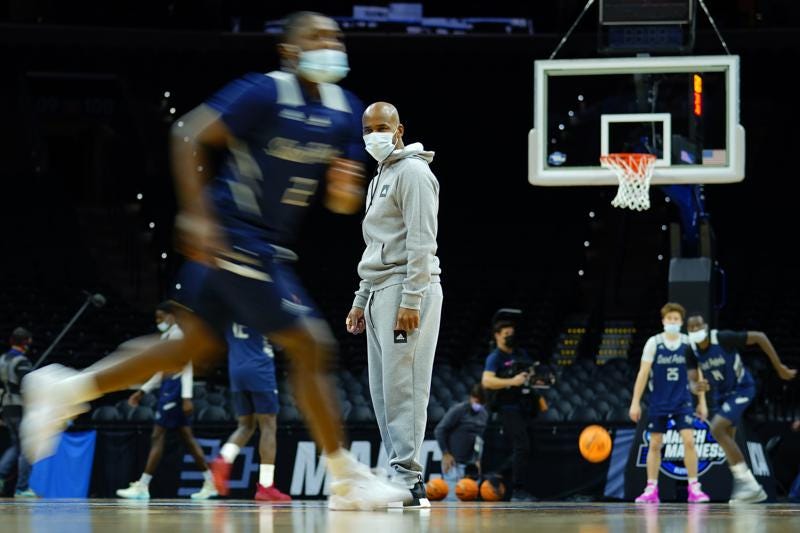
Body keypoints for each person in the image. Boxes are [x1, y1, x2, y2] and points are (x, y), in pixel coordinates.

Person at [20, 11, 410, 511]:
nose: (331, 44)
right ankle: (344, 477)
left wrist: (344, 189)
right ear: (290, 51)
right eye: (317, 36)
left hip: (263, 245)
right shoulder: (264, 93)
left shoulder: (345, 108)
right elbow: (188, 134)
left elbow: (339, 203)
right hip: (234, 235)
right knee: (312, 345)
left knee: (190, 348)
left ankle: (66, 387)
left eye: (336, 36)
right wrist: (196, 214)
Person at [345, 101, 443, 508]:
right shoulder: (380, 176)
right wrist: (360, 299)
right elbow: (376, 246)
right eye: (367, 129)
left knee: (405, 390)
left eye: (381, 127)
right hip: (380, 291)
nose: (374, 136)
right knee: (383, 392)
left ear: (399, 128)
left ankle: (411, 482)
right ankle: (401, 474)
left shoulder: (415, 172)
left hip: (407, 288)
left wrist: (412, 298)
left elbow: (421, 241)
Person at [686, 313, 797, 503]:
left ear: (705, 327)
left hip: (742, 388)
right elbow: (692, 380)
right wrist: (695, 387)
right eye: (692, 328)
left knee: (716, 428)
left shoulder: (723, 338)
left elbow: (760, 337)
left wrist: (779, 368)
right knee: (728, 438)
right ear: (688, 332)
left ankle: (750, 485)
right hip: (721, 396)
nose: (696, 331)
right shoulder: (691, 351)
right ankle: (747, 489)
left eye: (699, 327)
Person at [116, 302, 217, 500]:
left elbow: (186, 365)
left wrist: (186, 397)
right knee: (187, 438)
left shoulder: (178, 335)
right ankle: (210, 482)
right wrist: (142, 391)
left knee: (158, 435)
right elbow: (161, 371)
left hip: (175, 391)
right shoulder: (167, 336)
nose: (158, 322)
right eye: (156, 318)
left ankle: (143, 486)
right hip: (168, 388)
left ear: (171, 317)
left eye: (161, 317)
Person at [629, 302, 710, 504]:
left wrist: (702, 402)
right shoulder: (654, 343)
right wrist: (635, 402)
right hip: (659, 400)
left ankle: (694, 487)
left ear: (681, 322)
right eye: (669, 318)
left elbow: (697, 374)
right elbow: (643, 373)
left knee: (689, 441)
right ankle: (651, 489)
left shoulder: (688, 344)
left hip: (682, 400)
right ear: (663, 321)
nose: (672, 322)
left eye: (676, 319)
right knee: (655, 444)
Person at [208, 323, 290, 501]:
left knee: (245, 425)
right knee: (268, 425)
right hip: (259, 368)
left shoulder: (228, 313)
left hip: (236, 370)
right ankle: (266, 487)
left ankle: (224, 459)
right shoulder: (260, 309)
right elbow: (281, 342)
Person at [481, 320, 540, 502]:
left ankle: (497, 473)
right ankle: (517, 491)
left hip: (524, 406)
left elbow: (533, 373)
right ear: (497, 335)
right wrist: (511, 382)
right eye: (506, 333)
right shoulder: (495, 357)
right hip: (507, 408)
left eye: (512, 333)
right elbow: (487, 381)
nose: (509, 337)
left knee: (526, 447)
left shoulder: (520, 354)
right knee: (522, 445)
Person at [434, 384, 488, 502]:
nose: (478, 405)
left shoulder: (484, 414)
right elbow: (440, 430)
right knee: (452, 500)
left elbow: (479, 438)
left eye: (482, 403)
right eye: (477, 401)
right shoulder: (458, 410)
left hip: (471, 466)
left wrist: (477, 458)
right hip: (453, 463)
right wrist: (445, 453)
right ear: (471, 397)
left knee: (470, 504)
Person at [0, 327, 36, 497]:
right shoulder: (21, 361)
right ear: (25, 342)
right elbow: (27, 386)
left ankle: (0, 476)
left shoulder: (1, 360)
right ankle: (22, 487)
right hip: (19, 407)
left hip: (6, 407)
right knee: (26, 449)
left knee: (16, 446)